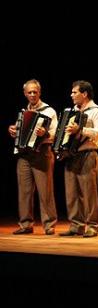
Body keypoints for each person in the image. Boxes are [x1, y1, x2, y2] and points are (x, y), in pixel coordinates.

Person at [8, 79, 58, 235]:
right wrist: (14, 131)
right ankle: (26, 224)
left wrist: (45, 133)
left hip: (42, 153)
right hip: (24, 155)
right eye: (29, 92)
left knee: (45, 191)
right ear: (25, 94)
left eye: (35, 92)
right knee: (24, 191)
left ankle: (49, 224)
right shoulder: (24, 112)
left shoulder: (49, 111)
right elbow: (20, 132)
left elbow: (55, 133)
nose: (32, 95)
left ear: (39, 93)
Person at [59, 80, 98, 238]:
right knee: (71, 192)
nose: (71, 95)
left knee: (88, 192)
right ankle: (76, 225)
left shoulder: (96, 111)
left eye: (74, 92)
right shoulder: (72, 111)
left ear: (84, 94)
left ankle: (92, 225)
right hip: (71, 155)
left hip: (88, 154)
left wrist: (81, 129)